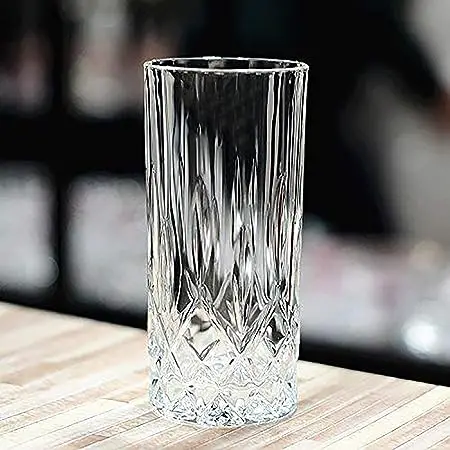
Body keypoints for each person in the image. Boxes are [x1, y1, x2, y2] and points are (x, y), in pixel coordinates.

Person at [182, 0, 450, 236]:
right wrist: (430, 93)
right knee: (361, 230)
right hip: (294, 116)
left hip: (234, 111)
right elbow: (377, 22)